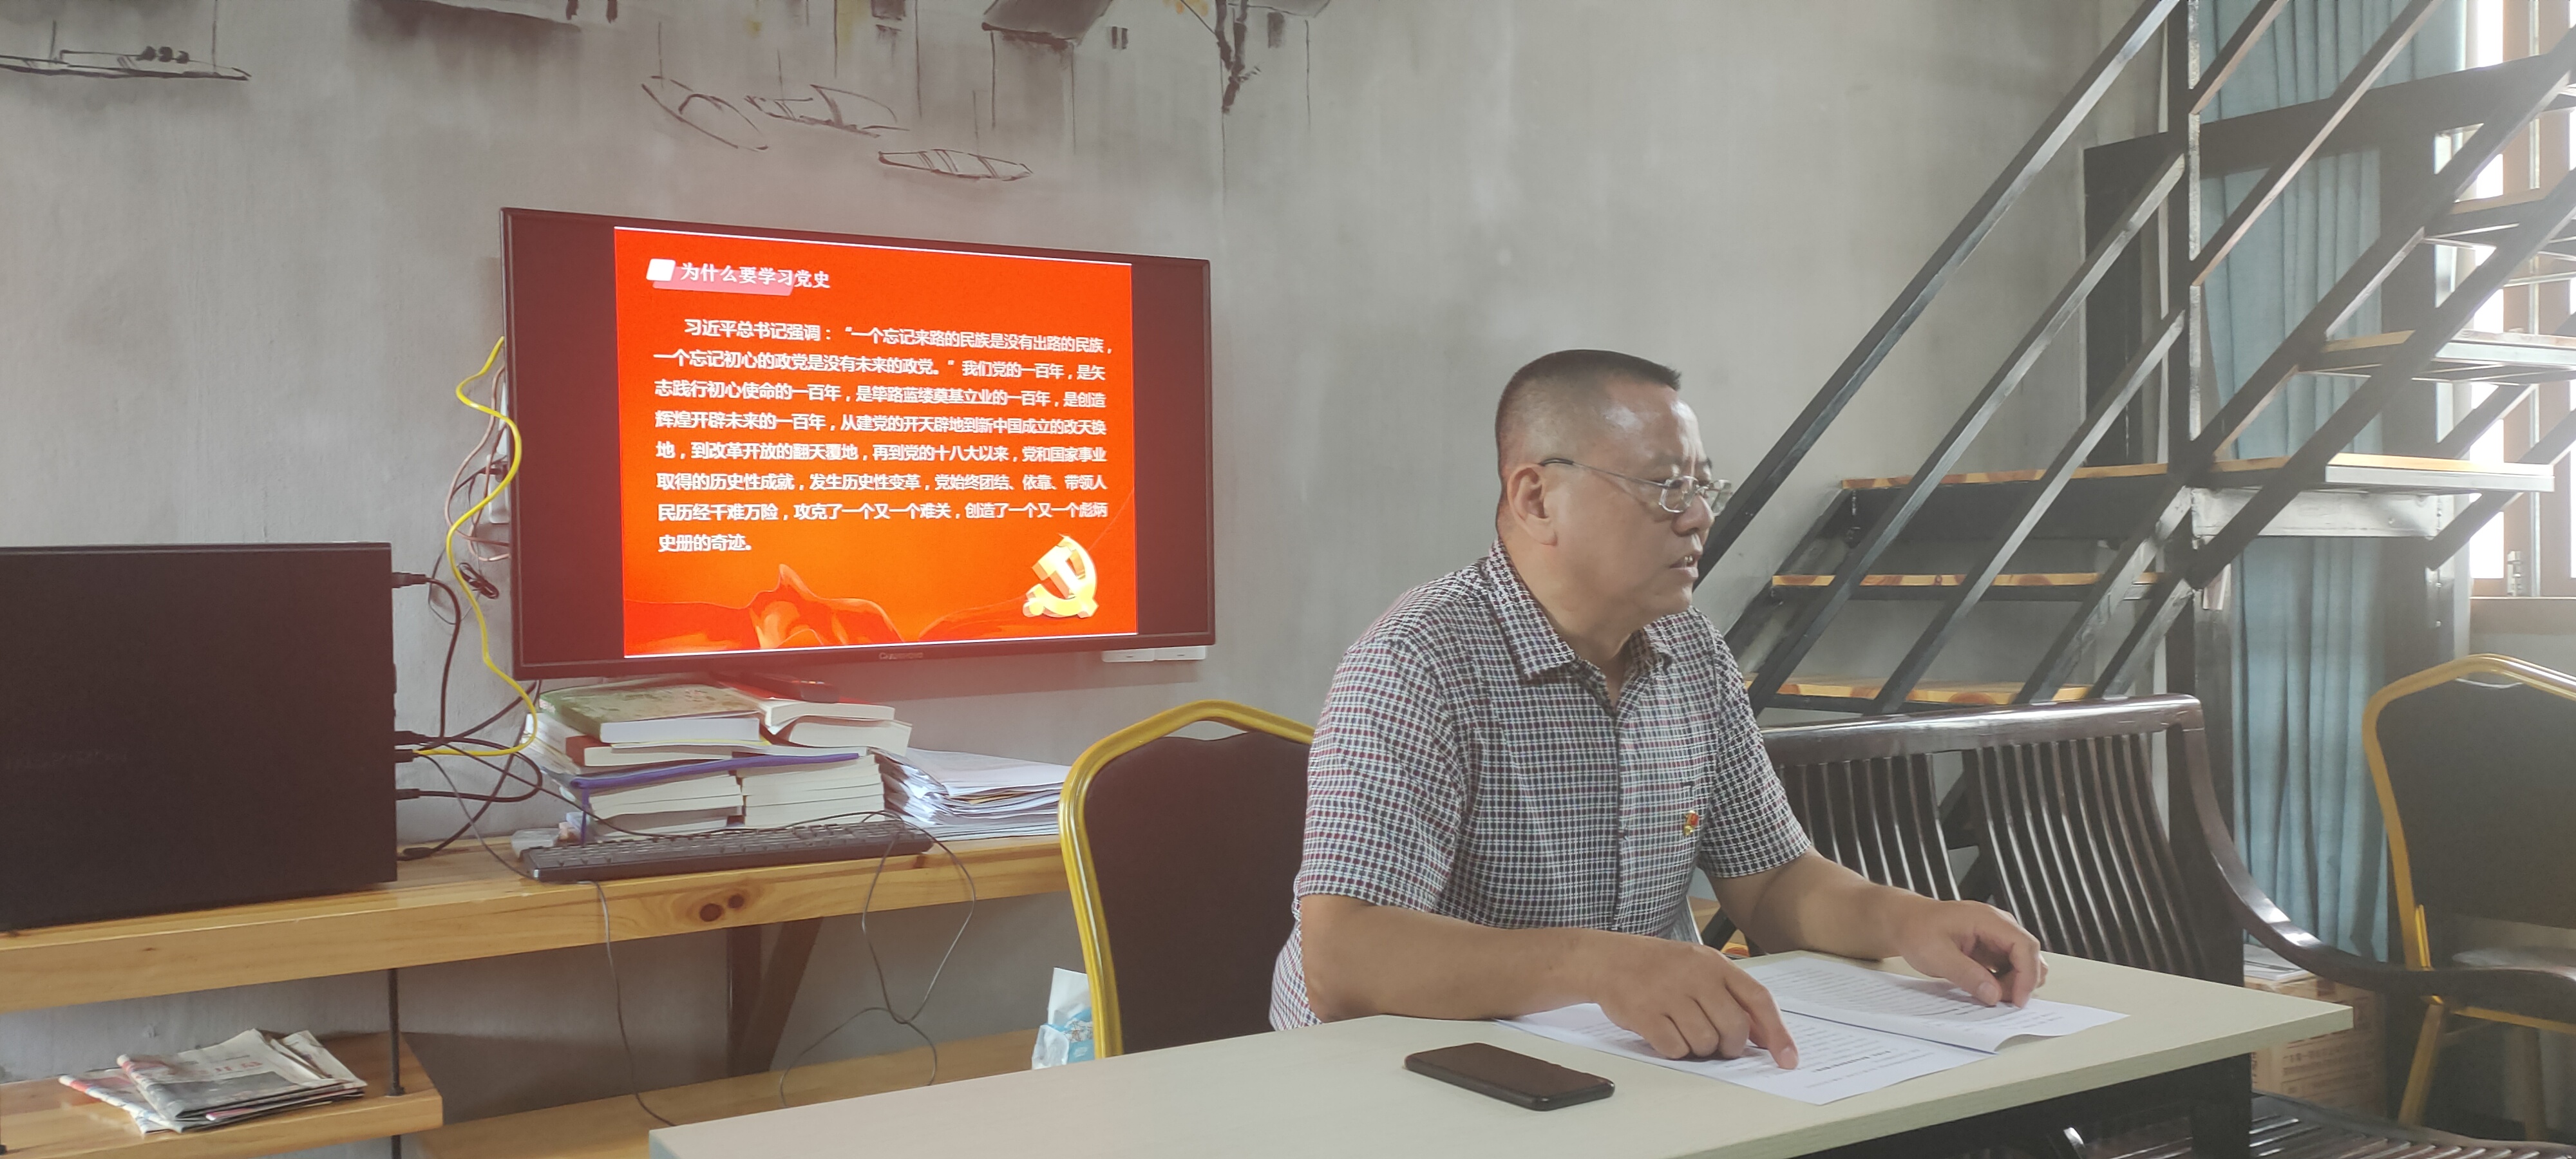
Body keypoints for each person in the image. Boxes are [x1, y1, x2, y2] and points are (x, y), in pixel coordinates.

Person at [1268, 349, 2046, 1065]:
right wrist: (1598, 965)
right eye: (1665, 486)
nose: (1698, 516)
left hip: (1618, 1069)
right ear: (1536, 498)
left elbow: (1771, 881)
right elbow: (1345, 960)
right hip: (1407, 1079)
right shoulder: (1418, 661)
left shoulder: (1692, 651)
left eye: (1703, 486)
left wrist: (1906, 921)